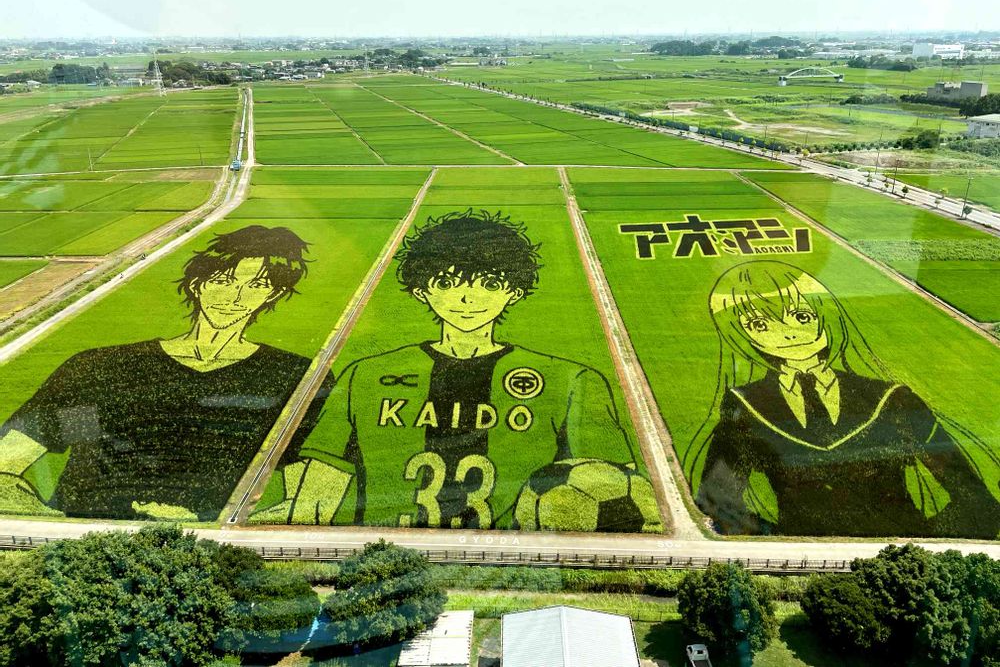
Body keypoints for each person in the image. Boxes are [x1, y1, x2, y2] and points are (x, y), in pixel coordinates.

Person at [259, 210, 645, 529]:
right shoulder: (365, 375)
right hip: (388, 548)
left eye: (489, 283)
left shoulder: (573, 380)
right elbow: (318, 490)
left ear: (514, 291)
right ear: (421, 290)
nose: (466, 298)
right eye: (446, 282)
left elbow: (612, 485)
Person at [0, 225, 328, 521]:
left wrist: (199, 528)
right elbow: (6, 467)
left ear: (273, 293)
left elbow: (310, 504)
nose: (235, 297)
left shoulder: (294, 376)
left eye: (256, 285)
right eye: (223, 281)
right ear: (197, 284)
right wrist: (60, 524)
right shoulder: (100, 366)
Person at [690, 260, 1000, 538]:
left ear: (825, 316)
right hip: (807, 555)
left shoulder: (893, 400)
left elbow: (974, 498)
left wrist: (917, 545)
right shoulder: (745, 406)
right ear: (741, 334)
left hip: (903, 551)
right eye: (760, 325)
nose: (787, 333)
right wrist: (780, 538)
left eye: (801, 316)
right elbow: (717, 499)